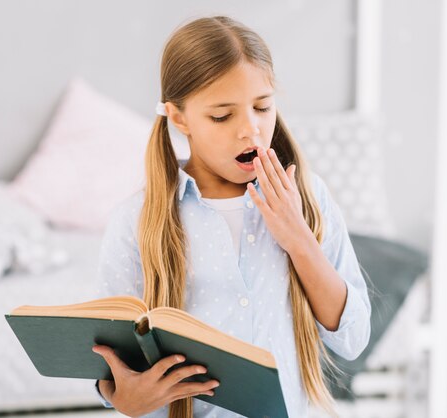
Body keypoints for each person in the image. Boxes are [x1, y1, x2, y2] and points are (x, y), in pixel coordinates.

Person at [90, 15, 371, 418]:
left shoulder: (308, 198)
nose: (251, 131)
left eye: (263, 107)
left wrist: (299, 240)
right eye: (222, 116)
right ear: (179, 117)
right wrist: (119, 396)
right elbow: (111, 359)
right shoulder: (136, 219)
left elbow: (353, 337)